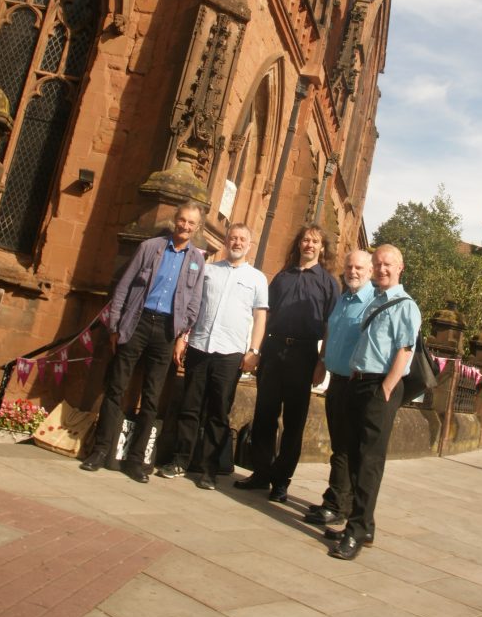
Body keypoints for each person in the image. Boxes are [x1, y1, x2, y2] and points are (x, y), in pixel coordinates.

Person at [81, 203, 205, 483]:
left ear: (197, 228)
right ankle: (101, 451)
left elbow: (194, 303)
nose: (185, 226)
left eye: (191, 223)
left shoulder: (197, 259)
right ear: (176, 220)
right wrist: (115, 326)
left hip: (166, 331)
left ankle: (136, 460)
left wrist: (181, 335)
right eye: (182, 220)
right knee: (116, 387)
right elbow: (124, 286)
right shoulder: (151, 247)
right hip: (137, 322)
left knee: (151, 396)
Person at [157, 223, 268, 489]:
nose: (237, 242)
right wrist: (183, 338)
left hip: (230, 353)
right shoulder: (208, 271)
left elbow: (260, 315)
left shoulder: (257, 278)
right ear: (227, 241)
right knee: (190, 407)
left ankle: (208, 468)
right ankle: (181, 461)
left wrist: (254, 350)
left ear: (249, 245)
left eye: (242, 239)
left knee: (219, 412)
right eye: (233, 238)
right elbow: (192, 308)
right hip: (199, 346)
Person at [234, 223, 340, 503]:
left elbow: (332, 325)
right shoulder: (282, 277)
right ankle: (260, 473)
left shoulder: (329, 283)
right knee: (264, 414)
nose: (309, 245)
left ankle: (281, 481)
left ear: (322, 248)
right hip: (273, 347)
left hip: (304, 354)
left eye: (315, 241)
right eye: (305, 240)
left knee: (294, 421)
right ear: (299, 244)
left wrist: (322, 362)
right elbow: (264, 314)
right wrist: (256, 350)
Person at [329, 243, 420, 561]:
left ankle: (355, 531)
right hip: (360, 381)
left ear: (400, 268)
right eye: (378, 263)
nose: (382, 269)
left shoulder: (405, 305)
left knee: (369, 461)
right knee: (354, 455)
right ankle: (363, 524)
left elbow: (404, 350)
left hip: (379, 386)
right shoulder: (376, 301)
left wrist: (386, 389)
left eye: (387, 264)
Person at [304, 249, 374, 530]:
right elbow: (331, 332)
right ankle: (336, 500)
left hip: (356, 383)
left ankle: (340, 505)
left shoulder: (371, 301)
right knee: (339, 445)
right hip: (336, 379)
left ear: (369, 271)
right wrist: (321, 361)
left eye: (358, 267)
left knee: (348, 447)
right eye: (349, 267)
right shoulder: (344, 298)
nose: (353, 271)